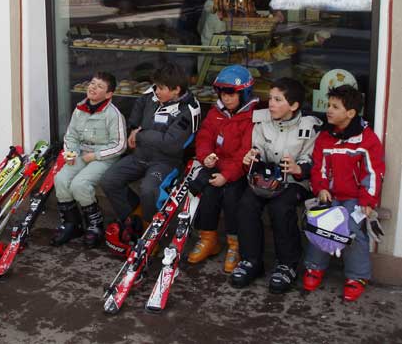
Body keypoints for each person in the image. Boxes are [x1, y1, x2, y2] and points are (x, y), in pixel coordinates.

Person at [230, 78, 322, 294]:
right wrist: (253, 156)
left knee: (281, 208)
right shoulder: (262, 121)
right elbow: (258, 147)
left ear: (294, 105)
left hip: (294, 182)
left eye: (277, 100)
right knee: (246, 204)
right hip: (267, 179)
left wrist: (299, 169)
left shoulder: (309, 126)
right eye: (270, 98)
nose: (270, 103)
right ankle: (251, 261)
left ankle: (287, 265)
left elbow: (312, 160)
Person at [101, 62, 201, 253]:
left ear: (176, 90)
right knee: (109, 180)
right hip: (140, 155)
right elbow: (137, 110)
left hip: (166, 161)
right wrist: (134, 129)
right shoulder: (153, 93)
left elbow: (171, 143)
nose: (157, 90)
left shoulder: (189, 109)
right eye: (156, 86)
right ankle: (133, 217)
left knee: (149, 189)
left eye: (161, 88)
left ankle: (150, 232)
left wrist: (141, 134)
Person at [302, 85, 385, 301]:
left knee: (351, 228)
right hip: (329, 195)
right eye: (328, 105)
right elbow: (317, 167)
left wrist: (368, 200)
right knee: (320, 222)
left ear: (350, 113)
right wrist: (320, 188)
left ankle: (357, 275)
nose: (329, 110)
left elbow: (374, 172)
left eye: (335, 107)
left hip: (355, 198)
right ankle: (314, 266)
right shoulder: (325, 137)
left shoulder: (366, 140)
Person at [187, 65, 258, 273]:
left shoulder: (252, 117)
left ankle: (234, 245)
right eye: (223, 93)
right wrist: (205, 156)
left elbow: (246, 151)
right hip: (215, 166)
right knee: (207, 192)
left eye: (232, 94)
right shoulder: (216, 112)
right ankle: (208, 238)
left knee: (232, 197)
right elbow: (204, 136)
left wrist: (227, 175)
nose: (226, 98)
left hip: (238, 172)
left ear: (244, 93)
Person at [51, 72, 127, 248]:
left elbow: (120, 145)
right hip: (81, 154)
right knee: (60, 180)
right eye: (92, 83)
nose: (93, 87)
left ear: (109, 94)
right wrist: (70, 153)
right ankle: (72, 224)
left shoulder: (113, 115)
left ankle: (95, 226)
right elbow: (71, 135)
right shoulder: (80, 109)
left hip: (104, 158)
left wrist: (96, 155)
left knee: (80, 184)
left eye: (100, 86)